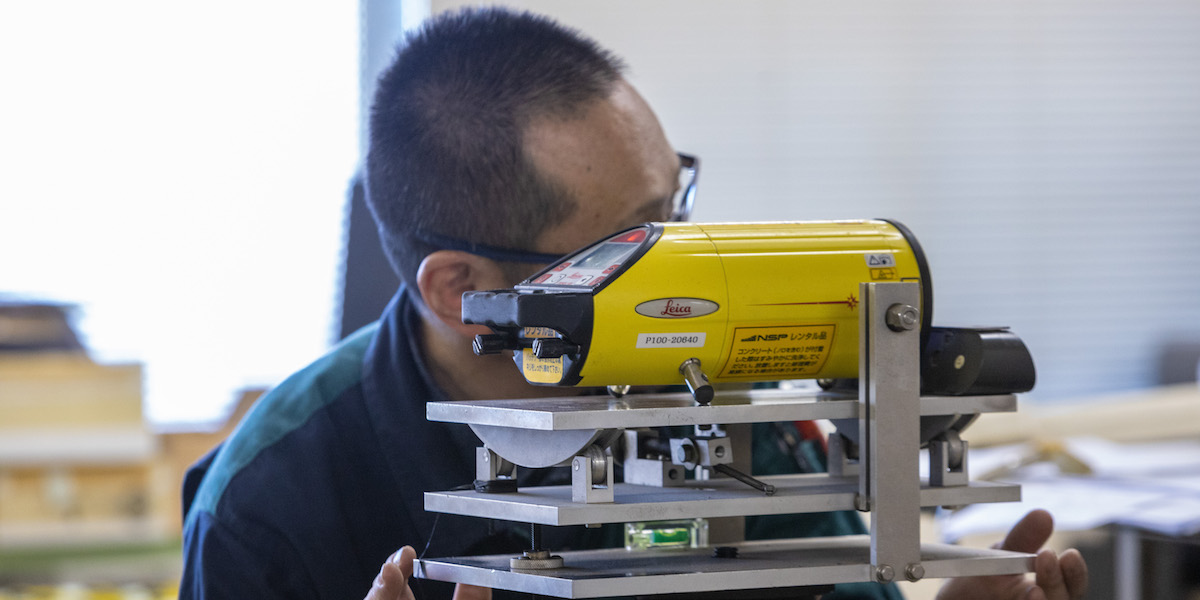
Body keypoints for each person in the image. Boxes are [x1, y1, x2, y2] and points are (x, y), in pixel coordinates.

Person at [180, 7, 1088, 600]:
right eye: (633, 246)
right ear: (466, 291)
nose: (688, 272)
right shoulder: (272, 507)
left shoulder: (717, 404)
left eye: (675, 209)